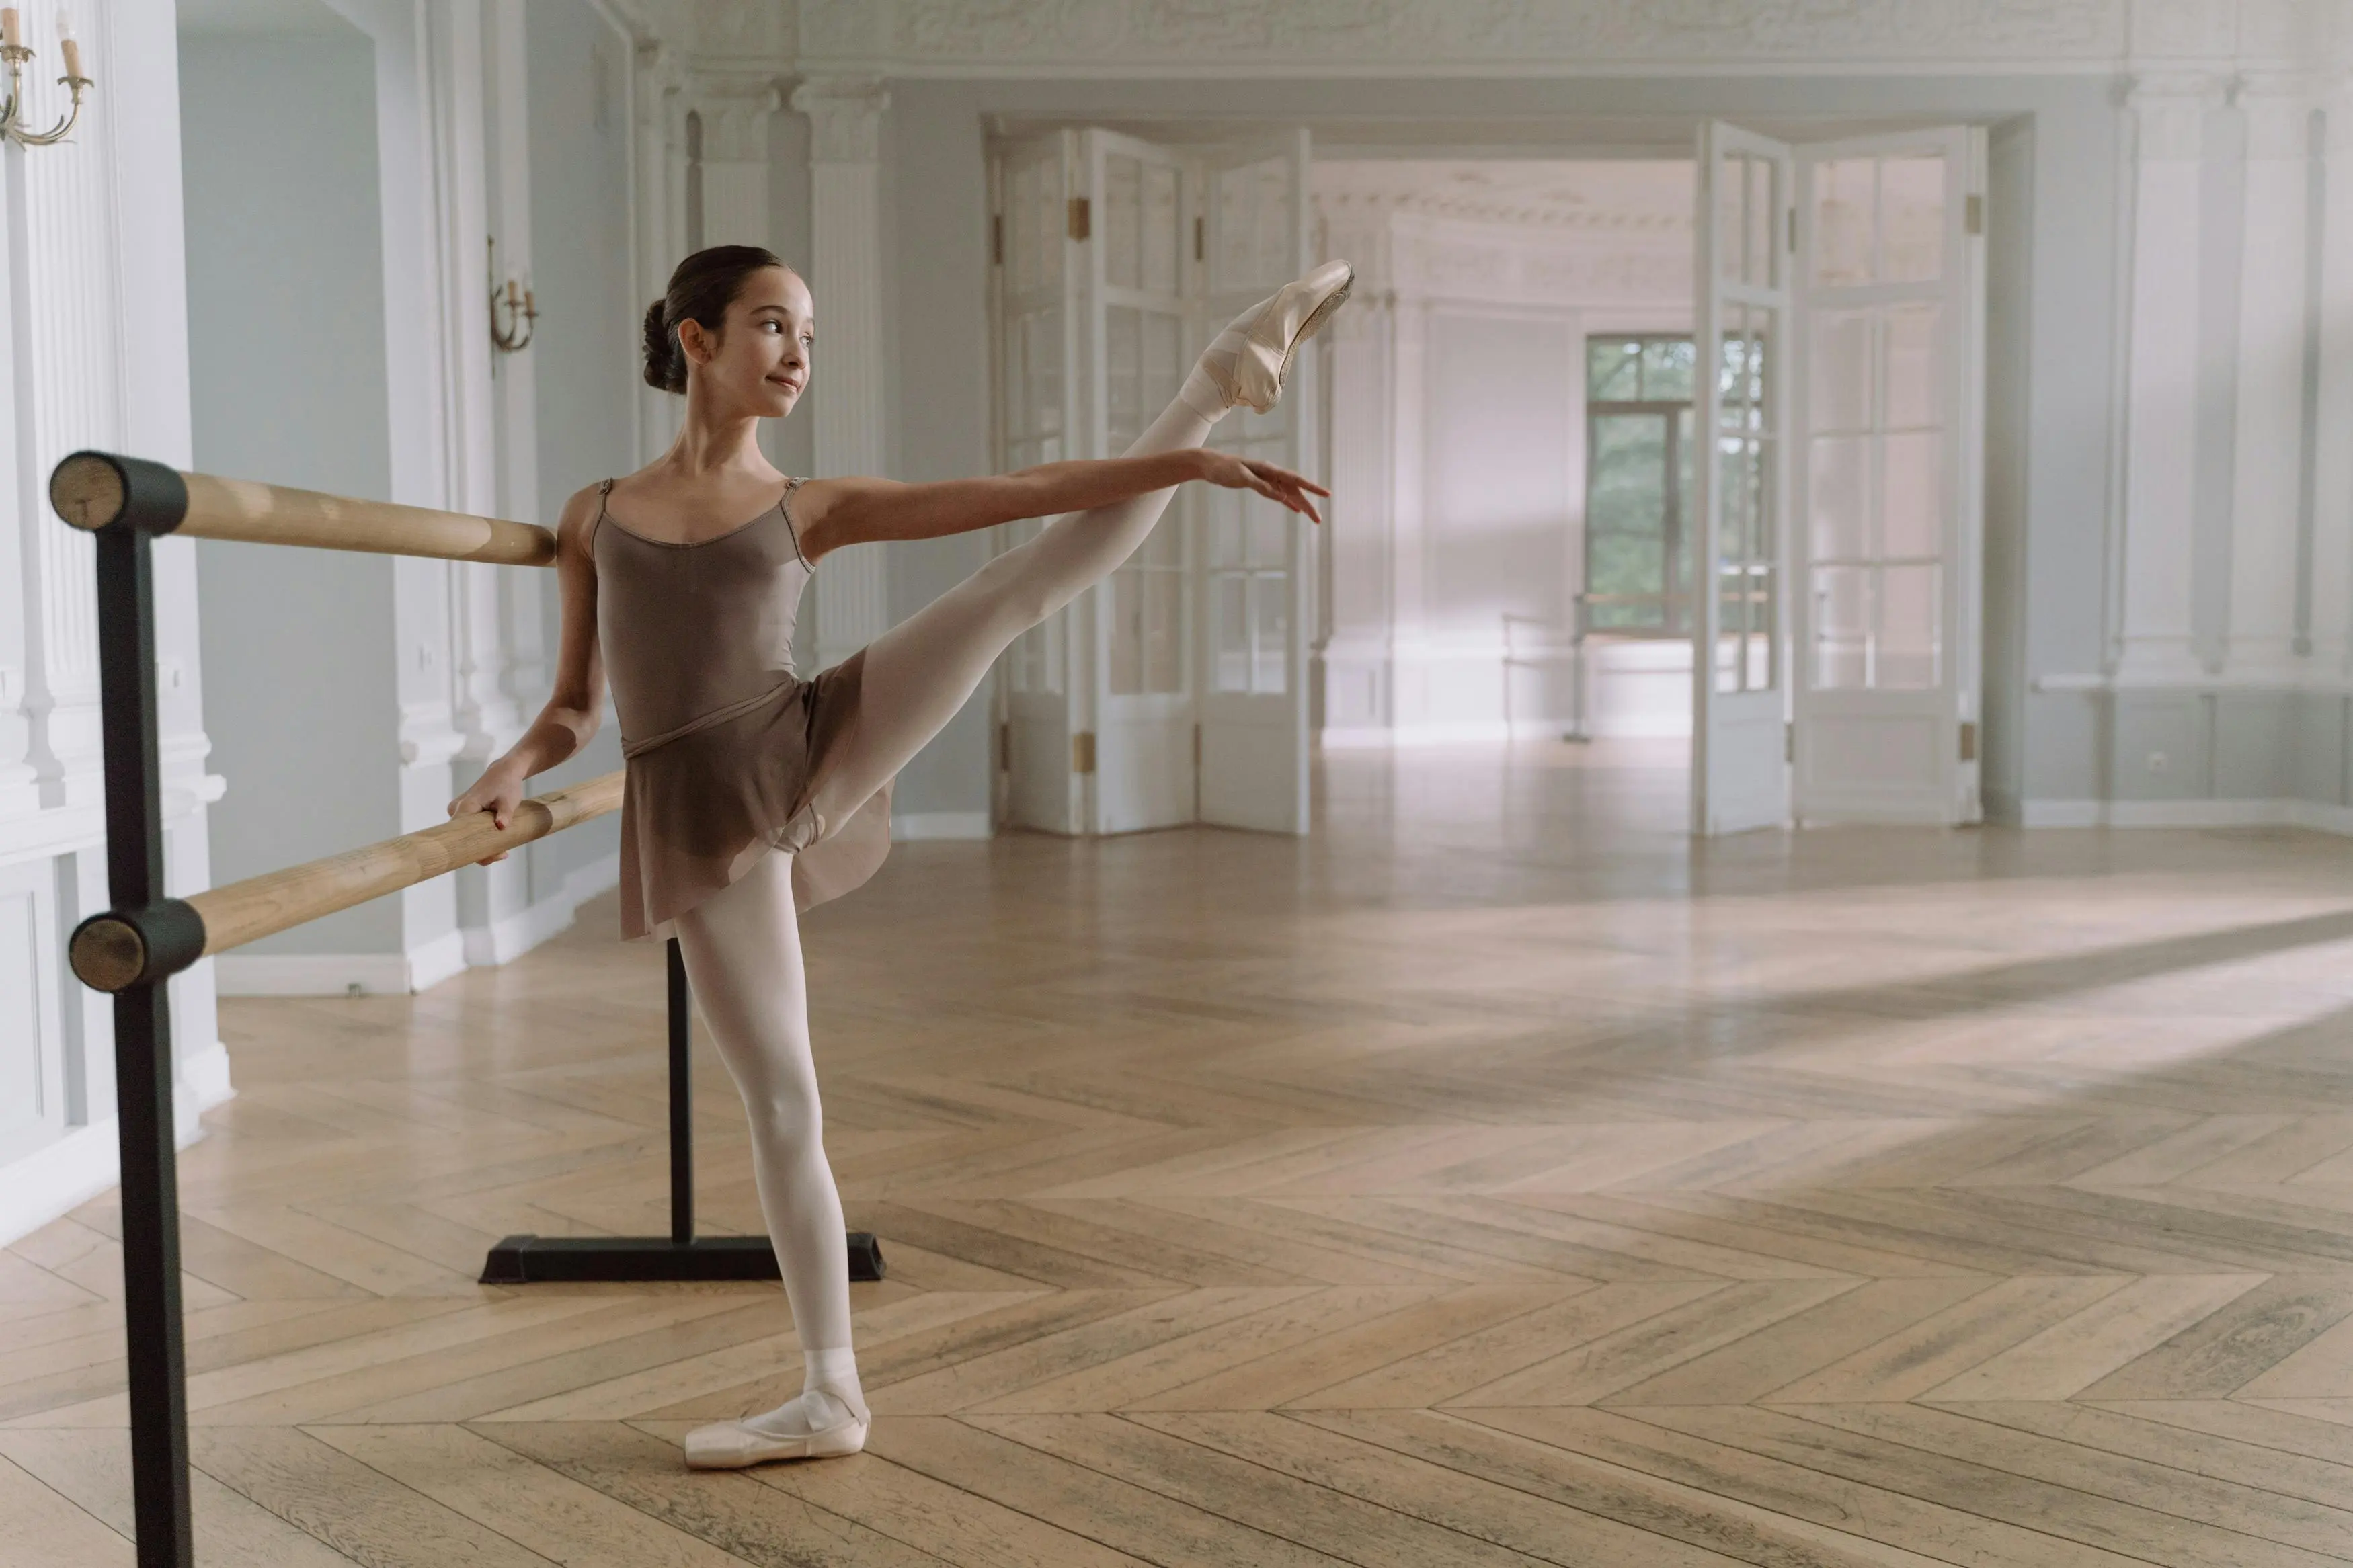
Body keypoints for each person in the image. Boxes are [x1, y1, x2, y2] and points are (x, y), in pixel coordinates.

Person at [449, 243, 1351, 1467]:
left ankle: (1212, 380)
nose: (799, 355)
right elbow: (574, 706)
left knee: (1010, 589)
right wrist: (512, 768)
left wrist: (1188, 456)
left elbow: (1027, 490)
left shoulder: (806, 505)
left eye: (810, 336)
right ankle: (830, 1394)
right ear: (697, 338)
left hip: (807, 732)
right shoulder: (594, 515)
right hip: (704, 814)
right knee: (784, 1100)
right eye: (775, 325)